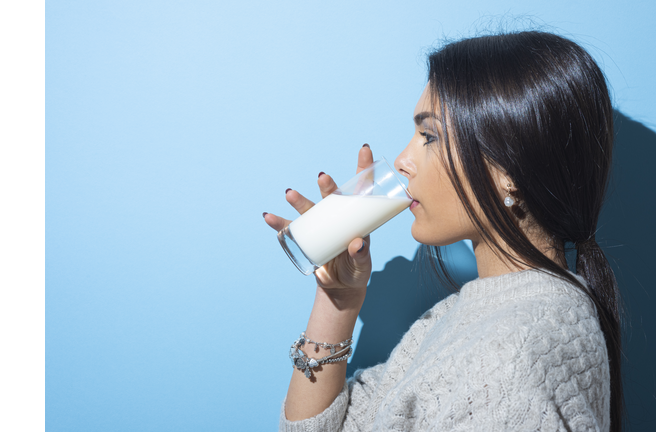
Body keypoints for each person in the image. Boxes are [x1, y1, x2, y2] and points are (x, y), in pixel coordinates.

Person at [263, 30, 622, 432]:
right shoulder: (475, 314)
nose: (401, 161)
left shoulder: (514, 353)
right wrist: (338, 301)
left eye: (429, 136)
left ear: (510, 173)